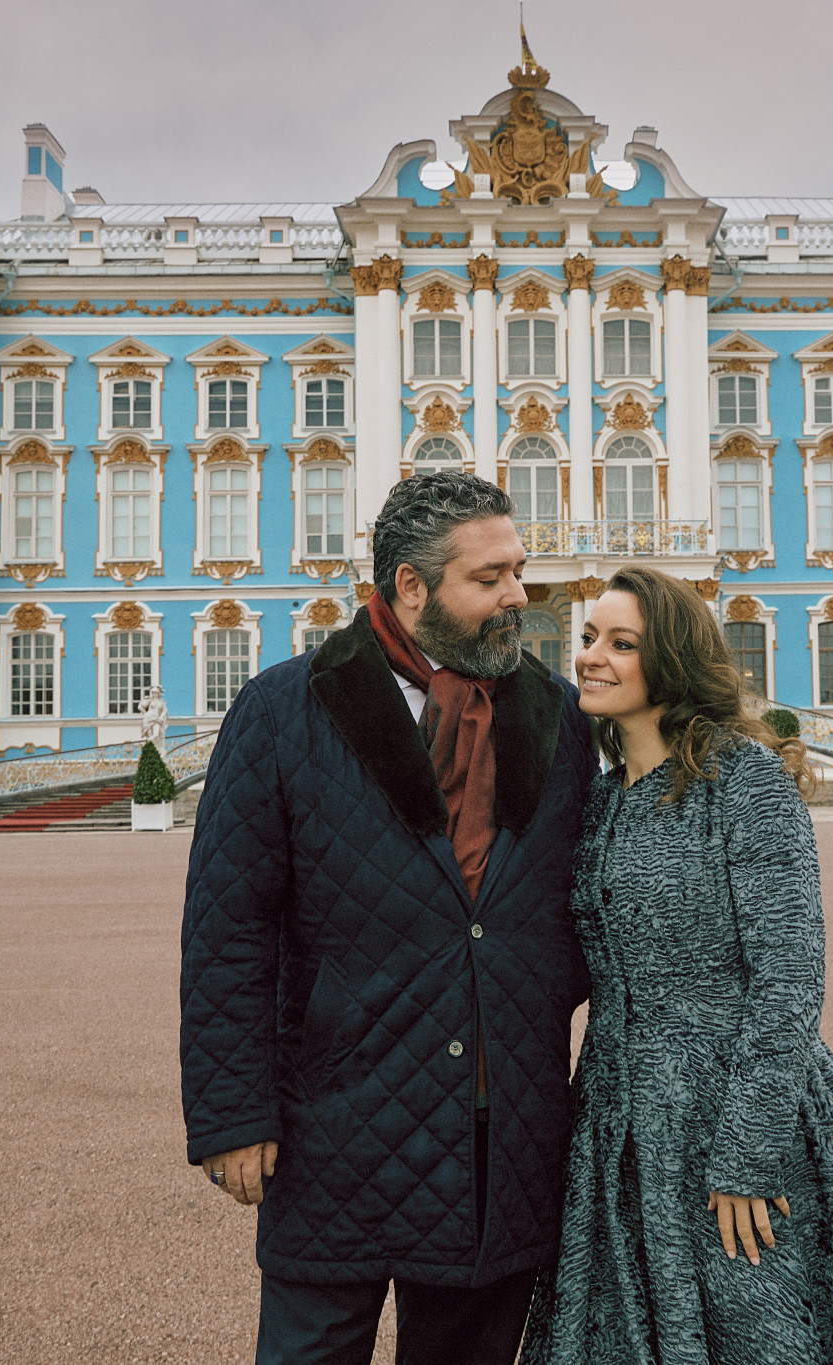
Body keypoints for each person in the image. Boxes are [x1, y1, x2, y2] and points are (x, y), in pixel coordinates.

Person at [180, 470, 598, 1365]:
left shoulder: (561, 715)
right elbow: (228, 928)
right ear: (412, 585)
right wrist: (232, 1113)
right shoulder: (283, 709)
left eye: (518, 571)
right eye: (490, 578)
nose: (518, 596)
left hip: (503, 1128)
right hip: (338, 1121)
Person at [522, 566, 833, 1365]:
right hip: (618, 1124)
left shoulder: (743, 779)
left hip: (732, 1110)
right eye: (588, 637)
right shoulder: (602, 798)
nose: (591, 656)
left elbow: (788, 975)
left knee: (764, 1332)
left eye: (622, 643)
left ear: (672, 660)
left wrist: (749, 1151)